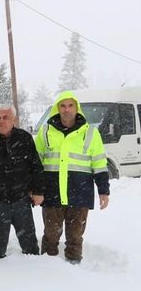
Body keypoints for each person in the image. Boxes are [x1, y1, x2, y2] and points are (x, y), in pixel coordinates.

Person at [35, 91, 110, 264]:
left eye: (70, 105)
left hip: (80, 193)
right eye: (63, 105)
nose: (66, 110)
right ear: (57, 108)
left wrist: (103, 191)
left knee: (75, 235)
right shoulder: (46, 131)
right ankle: (46, 265)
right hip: (52, 192)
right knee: (51, 234)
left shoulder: (90, 132)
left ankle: (74, 265)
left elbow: (99, 164)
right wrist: (34, 188)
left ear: (77, 108)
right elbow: (36, 163)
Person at [0, 105, 44, 259]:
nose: (1, 121)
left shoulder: (24, 138)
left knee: (30, 245)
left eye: (6, 117)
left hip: (21, 200)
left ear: (14, 119)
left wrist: (38, 191)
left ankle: (35, 273)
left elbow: (35, 166)